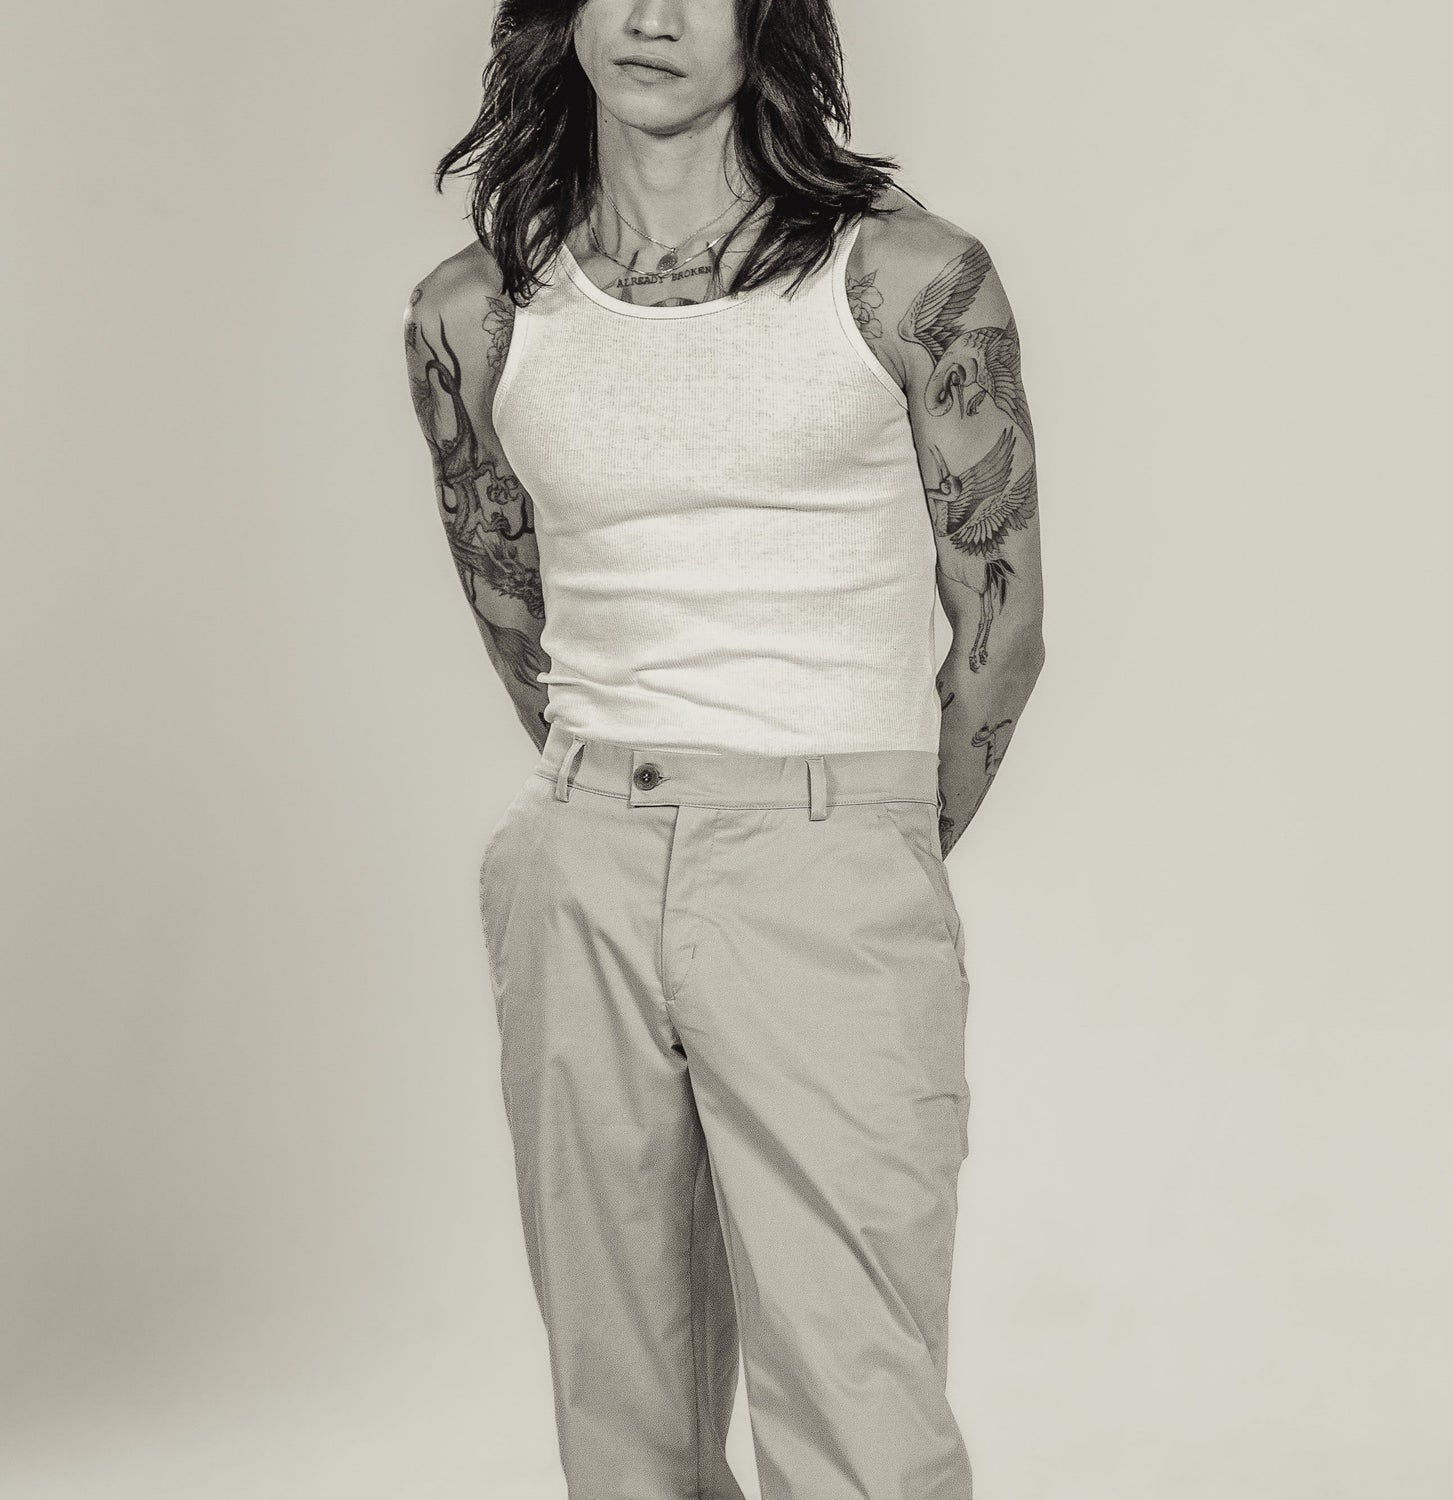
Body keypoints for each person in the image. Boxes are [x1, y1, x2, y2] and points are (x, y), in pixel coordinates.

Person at [402, 1, 1045, 1494]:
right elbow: (514, 612)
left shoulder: (906, 281)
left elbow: (1001, 627)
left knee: (858, 1401)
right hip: (583, 859)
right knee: (621, 1399)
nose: (652, 16)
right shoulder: (472, 314)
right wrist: (628, 812)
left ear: (769, 22)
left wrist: (859, 842)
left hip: (826, 857)